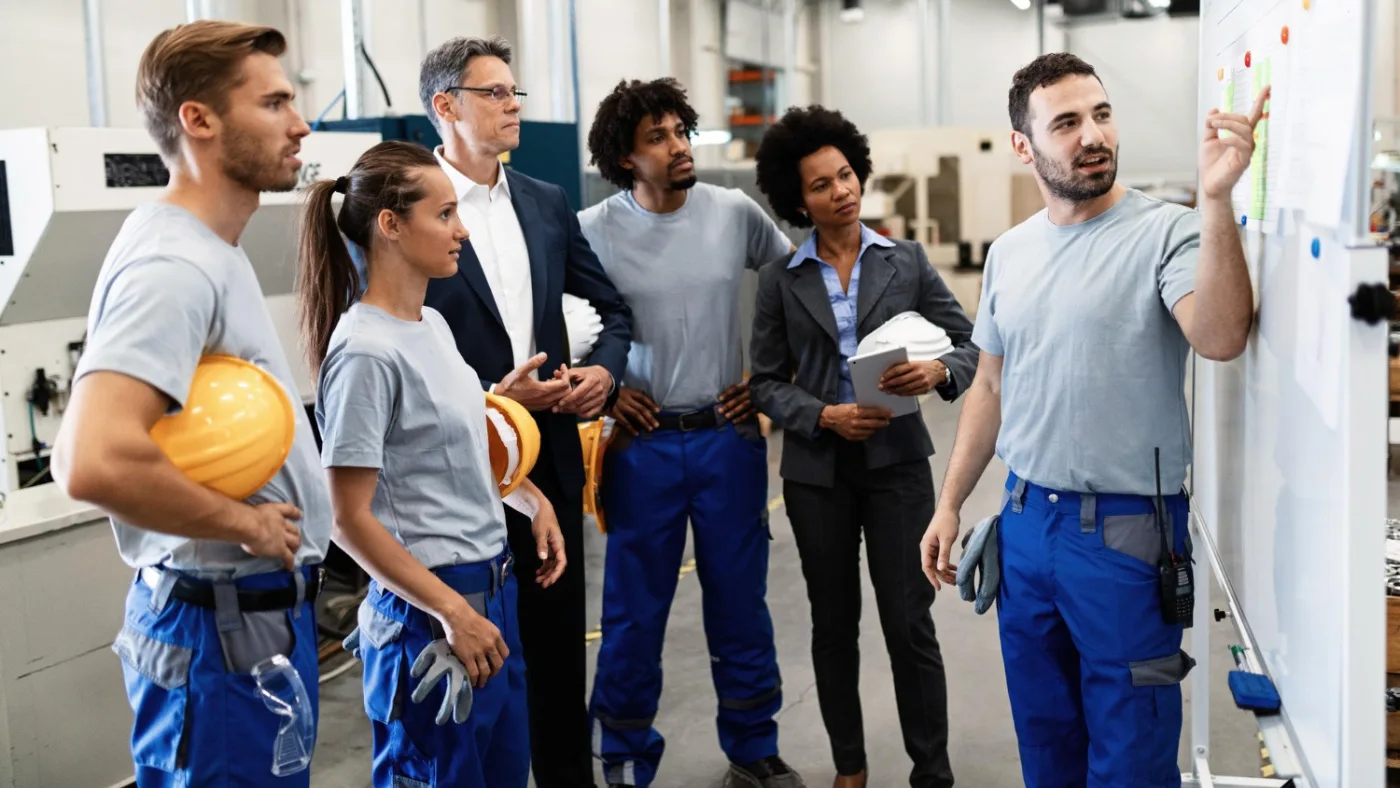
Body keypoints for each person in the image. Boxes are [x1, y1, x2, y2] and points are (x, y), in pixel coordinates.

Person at [919, 53, 1266, 787]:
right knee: (1047, 745)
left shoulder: (1165, 232)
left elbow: (1221, 336)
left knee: (1131, 755)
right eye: (1068, 122)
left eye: (1102, 115)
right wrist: (949, 503)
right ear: (1025, 145)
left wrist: (1216, 205)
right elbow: (986, 384)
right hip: (1024, 525)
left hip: (1126, 534)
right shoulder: (1010, 254)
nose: (1093, 135)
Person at [50, 20, 331, 787]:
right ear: (198, 121)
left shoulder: (213, 249)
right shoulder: (174, 262)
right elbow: (93, 457)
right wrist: (245, 522)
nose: (300, 123)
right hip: (217, 631)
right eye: (274, 103)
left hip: (252, 622)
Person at [299, 139, 567, 788]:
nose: (462, 229)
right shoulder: (365, 351)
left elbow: (468, 442)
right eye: (444, 214)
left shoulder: (433, 329)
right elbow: (346, 518)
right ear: (390, 226)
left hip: (489, 600)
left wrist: (534, 501)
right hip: (433, 617)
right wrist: (452, 612)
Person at [418, 34, 632, 788]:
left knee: (552, 660)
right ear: (446, 107)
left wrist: (601, 377)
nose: (514, 106)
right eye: (495, 93)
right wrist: (490, 403)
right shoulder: (410, 209)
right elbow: (397, 338)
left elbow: (613, 310)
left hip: (549, 463)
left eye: (516, 93)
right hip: (450, 476)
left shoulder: (544, 202)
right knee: (466, 671)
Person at [577, 78, 801, 788]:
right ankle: (621, 751)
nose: (678, 147)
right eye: (658, 138)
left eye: (681, 131)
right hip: (639, 448)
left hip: (727, 439)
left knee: (740, 603)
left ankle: (752, 747)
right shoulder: (592, 230)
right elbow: (569, 328)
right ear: (623, 159)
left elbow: (798, 286)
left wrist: (767, 382)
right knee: (634, 613)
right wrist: (610, 397)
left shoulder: (734, 212)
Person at [750, 105, 978, 788]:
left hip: (899, 467)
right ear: (800, 200)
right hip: (818, 474)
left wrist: (939, 372)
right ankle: (850, 767)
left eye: (845, 175)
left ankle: (930, 771)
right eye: (820, 185)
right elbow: (764, 383)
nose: (840, 191)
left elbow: (970, 343)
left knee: (910, 622)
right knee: (833, 625)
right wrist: (824, 416)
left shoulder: (903, 261)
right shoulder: (780, 280)